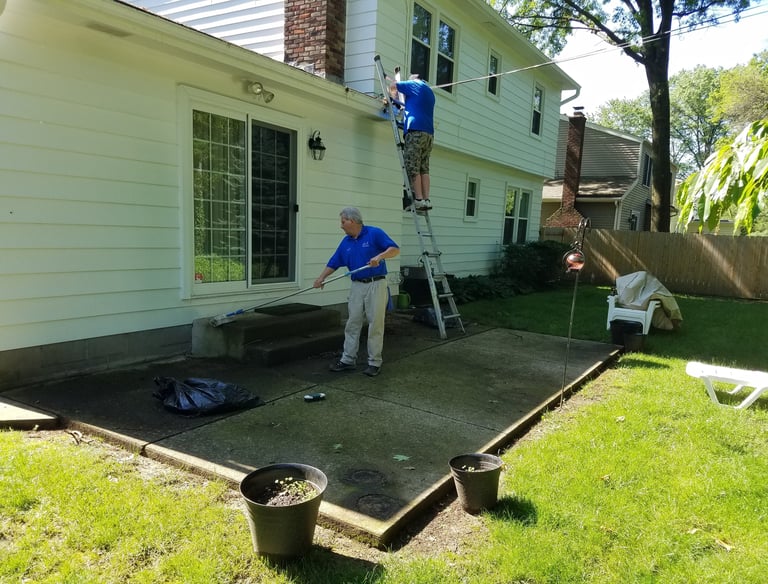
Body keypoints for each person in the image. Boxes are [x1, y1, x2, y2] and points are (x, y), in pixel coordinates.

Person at [313, 207, 400, 377]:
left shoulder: (374, 233)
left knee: (375, 324)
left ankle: (374, 362)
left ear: (352, 221)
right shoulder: (346, 242)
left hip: (376, 284)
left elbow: (394, 249)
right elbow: (334, 262)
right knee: (352, 323)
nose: (341, 226)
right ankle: (348, 360)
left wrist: (379, 257)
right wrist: (321, 278)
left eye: (343, 222)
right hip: (356, 285)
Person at [389, 74, 435, 211]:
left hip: (415, 131)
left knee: (412, 166)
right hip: (428, 134)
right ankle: (426, 200)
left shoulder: (414, 84)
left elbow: (393, 86)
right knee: (423, 168)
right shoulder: (429, 92)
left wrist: (393, 99)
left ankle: (418, 200)